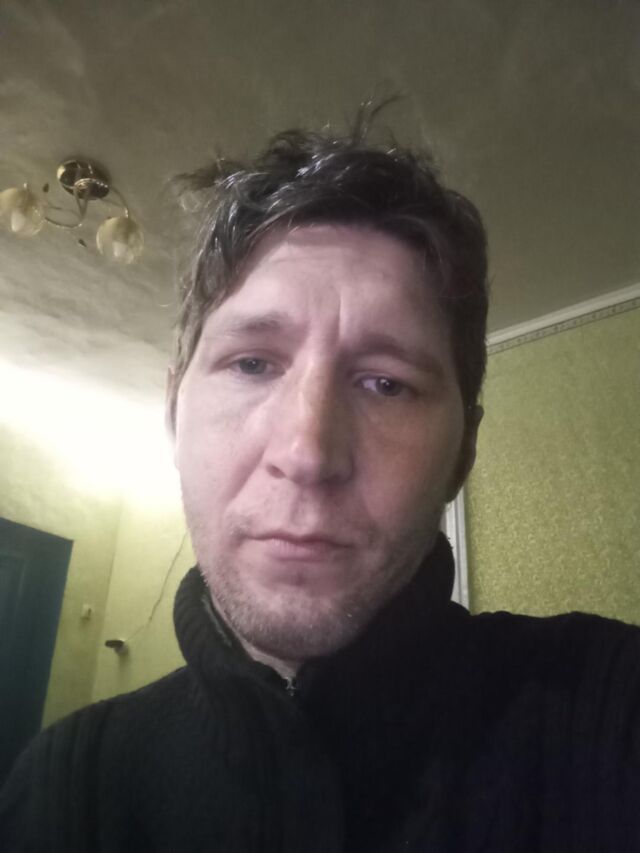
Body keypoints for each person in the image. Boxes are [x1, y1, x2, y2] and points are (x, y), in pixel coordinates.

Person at [1, 108, 639, 852]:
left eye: (386, 383)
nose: (306, 453)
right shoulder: (63, 786)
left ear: (463, 452)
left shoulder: (609, 711)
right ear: (175, 414)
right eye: (252, 364)